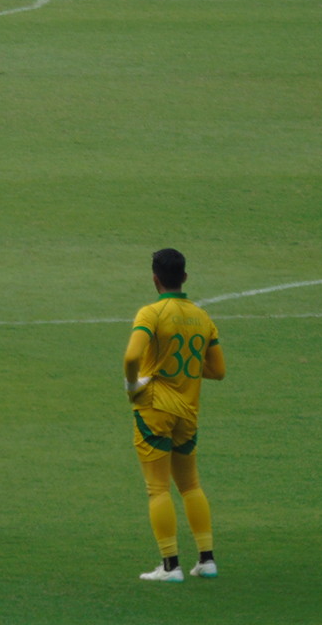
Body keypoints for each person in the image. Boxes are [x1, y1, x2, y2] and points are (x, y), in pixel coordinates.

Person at [123, 248, 226, 583]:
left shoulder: (151, 313)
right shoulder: (202, 317)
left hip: (154, 409)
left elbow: (131, 357)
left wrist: (132, 386)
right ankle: (207, 560)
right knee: (191, 484)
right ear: (184, 277)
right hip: (188, 412)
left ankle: (170, 566)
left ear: (155, 279)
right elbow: (218, 370)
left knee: (158, 488)